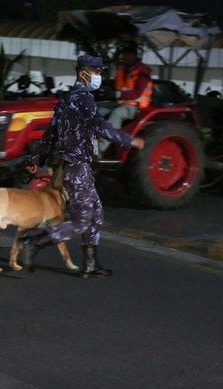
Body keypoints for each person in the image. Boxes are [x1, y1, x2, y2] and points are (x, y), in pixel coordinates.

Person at [18, 55, 144, 278]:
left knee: (96, 214)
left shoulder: (66, 100)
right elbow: (100, 126)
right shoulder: (84, 99)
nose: (100, 76)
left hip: (75, 167)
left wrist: (35, 157)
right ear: (84, 72)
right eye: (97, 72)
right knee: (81, 220)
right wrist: (130, 140)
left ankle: (90, 264)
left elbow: (49, 135)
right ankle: (33, 243)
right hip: (77, 167)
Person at [99, 41, 153, 153]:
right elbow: (116, 87)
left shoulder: (143, 71)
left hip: (135, 107)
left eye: (126, 55)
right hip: (121, 104)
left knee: (117, 114)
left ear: (134, 55)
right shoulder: (121, 70)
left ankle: (100, 150)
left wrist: (116, 94)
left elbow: (137, 93)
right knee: (97, 109)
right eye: (123, 54)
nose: (123, 57)